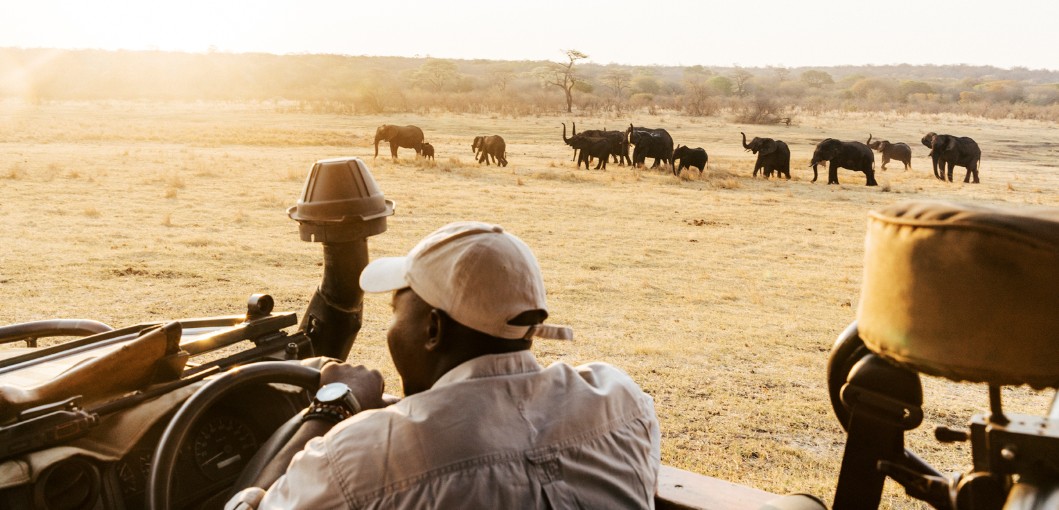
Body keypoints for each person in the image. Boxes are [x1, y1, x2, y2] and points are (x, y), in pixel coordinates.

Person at [227, 221, 661, 509]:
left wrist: (331, 408)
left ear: (433, 329)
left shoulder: (362, 458)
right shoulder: (621, 400)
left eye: (397, 312)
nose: (391, 330)